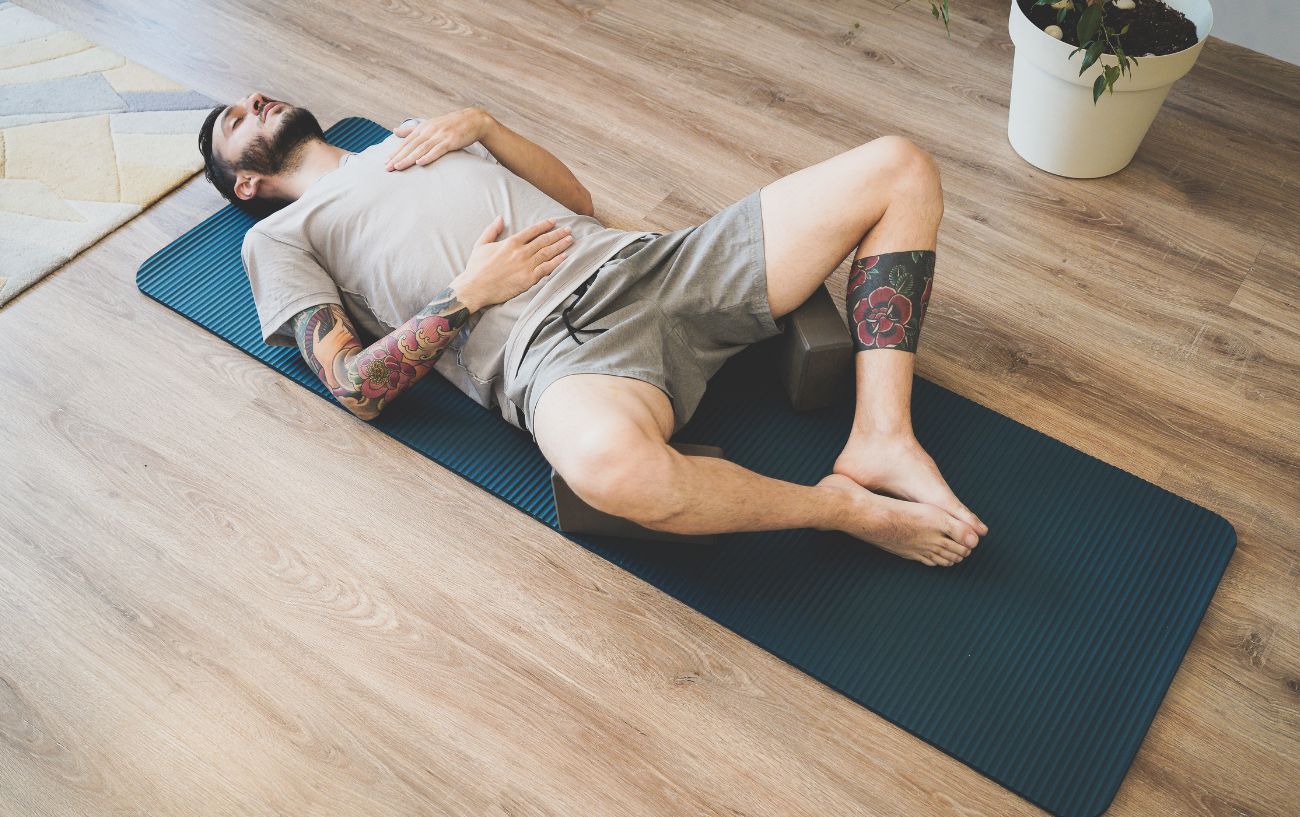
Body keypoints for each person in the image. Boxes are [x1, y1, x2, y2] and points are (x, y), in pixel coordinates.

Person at [198, 92, 988, 567]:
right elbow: (353, 385)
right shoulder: (274, 236)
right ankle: (845, 508)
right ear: (245, 179)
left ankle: (882, 435)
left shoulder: (411, 135)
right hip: (556, 353)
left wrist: (482, 123)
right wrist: (469, 295)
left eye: (254, 96)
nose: (256, 102)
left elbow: (577, 200)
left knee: (900, 164)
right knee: (610, 470)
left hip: (651, 264)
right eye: (236, 119)